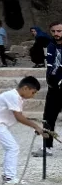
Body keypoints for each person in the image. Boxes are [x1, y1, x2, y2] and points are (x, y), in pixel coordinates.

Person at [0, 77, 44, 185]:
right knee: (13, 147)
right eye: (33, 92)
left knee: (11, 147)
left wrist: (35, 122)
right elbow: (19, 117)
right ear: (25, 88)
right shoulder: (13, 96)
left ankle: (8, 175)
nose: (33, 96)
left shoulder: (17, 97)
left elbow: (19, 115)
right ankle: (10, 178)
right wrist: (36, 127)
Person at [37, 21, 62, 158]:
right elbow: (50, 66)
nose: (56, 34)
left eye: (59, 31)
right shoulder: (50, 46)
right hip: (53, 88)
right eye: (54, 31)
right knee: (48, 118)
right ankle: (47, 146)